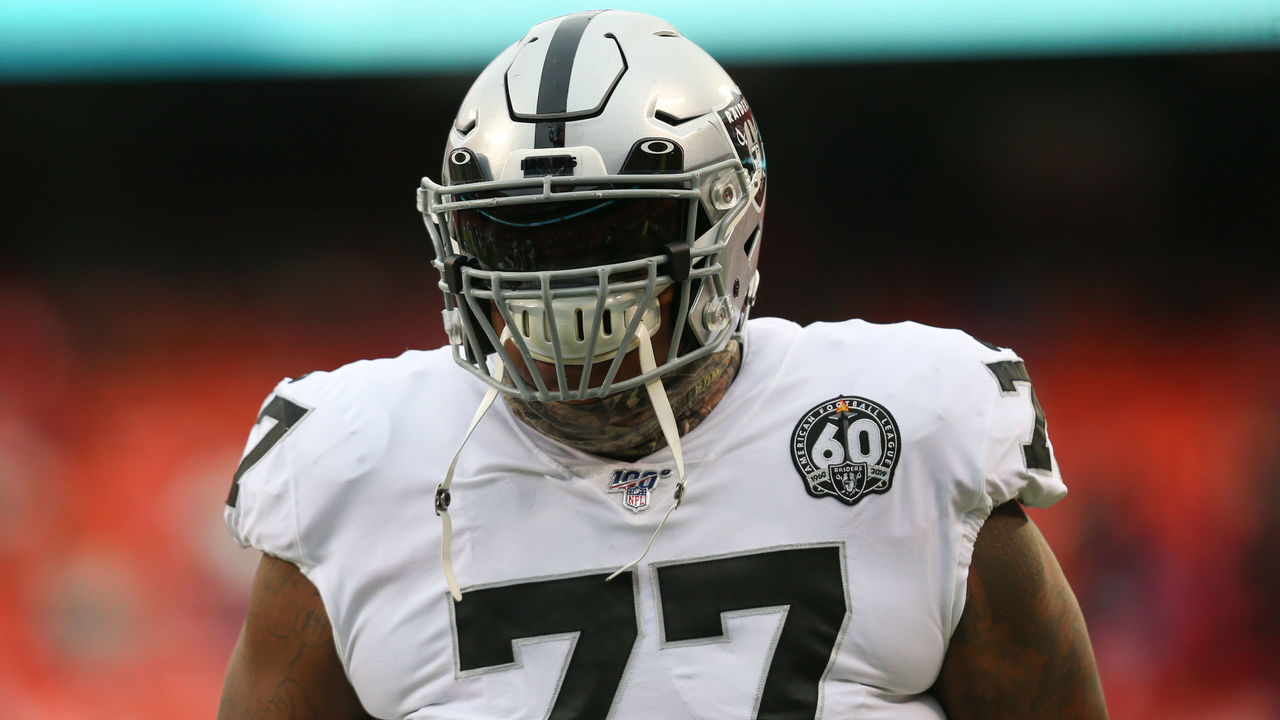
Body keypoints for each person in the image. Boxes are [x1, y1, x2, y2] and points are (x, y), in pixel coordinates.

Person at [218, 10, 1107, 719]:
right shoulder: (352, 464)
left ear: (729, 224)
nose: (556, 287)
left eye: (604, 234)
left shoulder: (908, 429)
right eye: (511, 240)